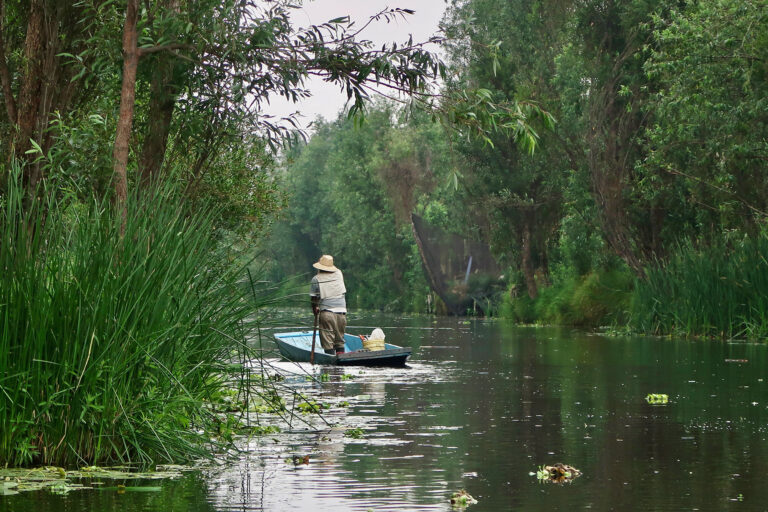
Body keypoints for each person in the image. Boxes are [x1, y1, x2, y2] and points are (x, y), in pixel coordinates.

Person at [309, 254, 347, 355]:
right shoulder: (339, 273)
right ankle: (340, 363)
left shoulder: (316, 279)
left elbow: (314, 299)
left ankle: (330, 364)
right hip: (342, 311)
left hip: (327, 313)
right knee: (339, 340)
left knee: (328, 342)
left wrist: (315, 309)